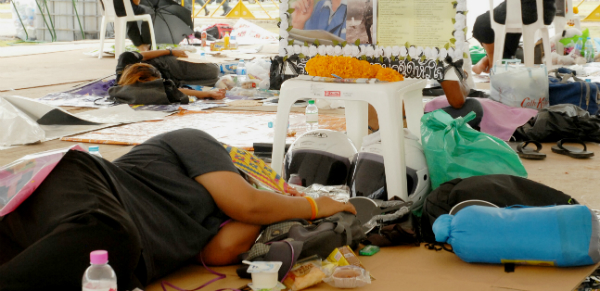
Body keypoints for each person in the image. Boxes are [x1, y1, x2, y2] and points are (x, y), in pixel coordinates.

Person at [0, 129, 356, 291]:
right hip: (74, 187)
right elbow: (245, 202)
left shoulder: (230, 215)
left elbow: (222, 250)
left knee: (108, 264)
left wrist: (275, 208)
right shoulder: (194, 140)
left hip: (98, 249)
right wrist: (310, 205)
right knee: (107, 239)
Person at [108, 49, 224, 104]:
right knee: (215, 81)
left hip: (167, 65)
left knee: (213, 70)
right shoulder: (141, 90)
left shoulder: (125, 61)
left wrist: (170, 51)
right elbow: (174, 90)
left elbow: (143, 54)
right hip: (177, 81)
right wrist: (207, 94)